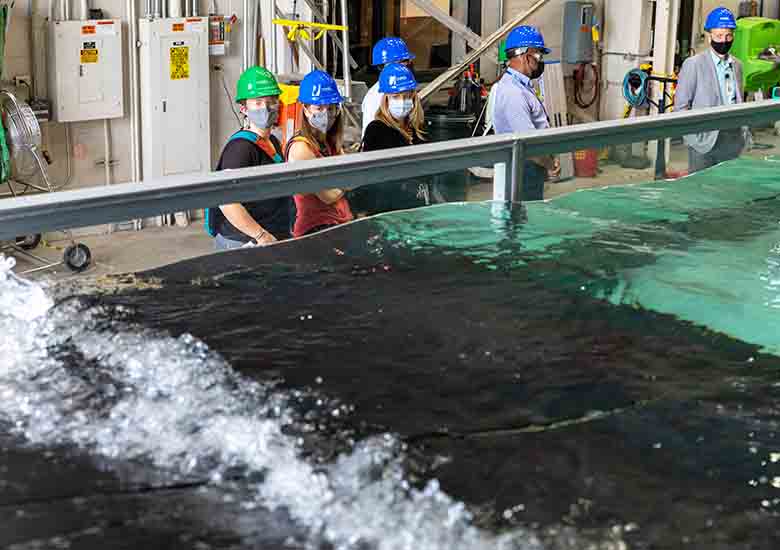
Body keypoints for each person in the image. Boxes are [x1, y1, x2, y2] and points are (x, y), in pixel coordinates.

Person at [206, 67, 291, 250]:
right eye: (258, 102)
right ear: (244, 108)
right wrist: (261, 235)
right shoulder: (240, 148)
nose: (266, 108)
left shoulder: (273, 141)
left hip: (269, 236)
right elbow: (226, 200)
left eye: (271, 101)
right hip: (243, 242)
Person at [674, 7, 749, 173]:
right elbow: (680, 107)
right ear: (709, 37)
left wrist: (742, 134)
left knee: (726, 191)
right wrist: (693, 139)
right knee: (701, 192)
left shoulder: (737, 66)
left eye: (728, 36)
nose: (724, 40)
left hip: (732, 139)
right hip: (704, 142)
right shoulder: (693, 64)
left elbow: (739, 100)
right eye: (719, 36)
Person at [492, 25, 560, 201]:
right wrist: (550, 164)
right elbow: (528, 144)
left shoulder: (521, 86)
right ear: (524, 54)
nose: (539, 60)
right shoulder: (513, 93)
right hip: (522, 168)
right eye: (538, 54)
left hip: (529, 166)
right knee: (522, 219)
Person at [285, 70, 354, 237]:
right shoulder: (301, 148)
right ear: (306, 109)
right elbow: (328, 196)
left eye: (331, 108)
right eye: (319, 108)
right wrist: (348, 180)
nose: (326, 114)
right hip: (314, 231)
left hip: (338, 225)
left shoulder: (328, 141)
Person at [356, 63, 430, 215]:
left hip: (415, 209)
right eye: (396, 96)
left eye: (407, 95)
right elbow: (377, 181)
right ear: (385, 99)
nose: (402, 101)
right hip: (388, 212)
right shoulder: (376, 130)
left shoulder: (417, 129)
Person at [362, 37, 416, 136]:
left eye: (405, 61)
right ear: (381, 67)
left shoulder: (407, 87)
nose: (405, 66)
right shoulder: (375, 96)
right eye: (401, 62)